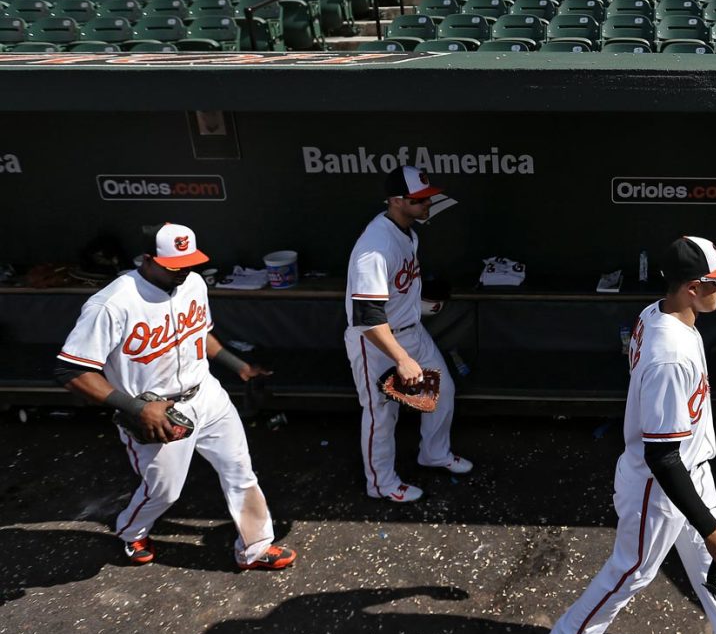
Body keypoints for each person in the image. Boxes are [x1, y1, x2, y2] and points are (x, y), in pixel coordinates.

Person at [543, 236, 716, 634]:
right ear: (692, 287)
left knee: (710, 562)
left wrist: (706, 531)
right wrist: (711, 528)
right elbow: (662, 455)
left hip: (688, 469)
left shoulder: (658, 312)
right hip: (658, 485)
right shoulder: (669, 355)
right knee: (633, 571)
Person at [55, 223, 296, 571]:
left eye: (189, 262)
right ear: (148, 259)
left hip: (207, 394)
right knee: (164, 491)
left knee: (241, 471)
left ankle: (255, 548)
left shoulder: (193, 283)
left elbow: (200, 334)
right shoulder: (112, 303)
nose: (183, 271)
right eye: (173, 265)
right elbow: (71, 371)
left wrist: (237, 365)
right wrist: (136, 408)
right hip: (155, 410)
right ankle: (131, 530)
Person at [344, 166, 471, 505]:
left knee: (443, 390)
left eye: (428, 197)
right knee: (381, 414)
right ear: (396, 201)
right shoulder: (374, 246)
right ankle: (381, 482)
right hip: (375, 340)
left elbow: (395, 290)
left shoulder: (406, 231)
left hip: (409, 330)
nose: (427, 204)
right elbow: (366, 315)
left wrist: (421, 305)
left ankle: (433, 453)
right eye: (419, 200)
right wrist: (401, 359)